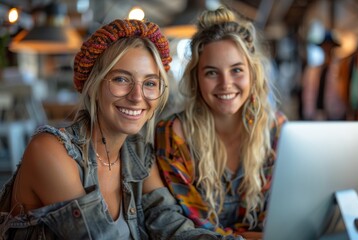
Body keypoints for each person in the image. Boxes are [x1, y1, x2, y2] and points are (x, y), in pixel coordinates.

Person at [0, 19, 236, 240]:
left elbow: (168, 222)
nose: (137, 97)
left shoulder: (138, 154)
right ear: (93, 85)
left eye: (150, 83)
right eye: (121, 79)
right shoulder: (50, 151)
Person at [155, 7, 287, 239]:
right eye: (212, 73)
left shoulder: (277, 130)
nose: (226, 84)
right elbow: (187, 223)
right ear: (196, 78)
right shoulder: (173, 136)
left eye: (236, 70)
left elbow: (285, 211)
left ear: (253, 73)